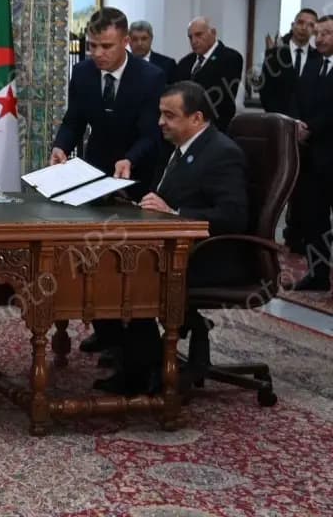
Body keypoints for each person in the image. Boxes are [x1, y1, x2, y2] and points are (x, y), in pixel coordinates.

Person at [98, 81, 250, 395]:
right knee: (104, 261)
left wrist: (175, 212)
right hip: (174, 248)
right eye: (160, 114)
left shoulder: (222, 153)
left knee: (127, 274)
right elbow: (163, 198)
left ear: (196, 118)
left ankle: (147, 371)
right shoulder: (179, 148)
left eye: (169, 115)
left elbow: (233, 215)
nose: (160, 122)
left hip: (210, 256)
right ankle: (134, 359)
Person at [51, 7, 165, 356]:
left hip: (137, 172)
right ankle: (106, 329)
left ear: (125, 42)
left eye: (106, 46)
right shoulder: (83, 73)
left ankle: (135, 338)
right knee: (92, 252)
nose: (98, 53)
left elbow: (152, 134)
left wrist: (130, 159)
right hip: (95, 172)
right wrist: (61, 146)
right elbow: (74, 120)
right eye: (92, 46)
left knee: (128, 259)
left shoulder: (150, 77)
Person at [259, 8, 318, 253]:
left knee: (305, 187)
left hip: (309, 132)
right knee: (278, 183)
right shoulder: (276, 55)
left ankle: (298, 236)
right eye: (301, 22)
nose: (304, 27)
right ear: (293, 24)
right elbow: (266, 92)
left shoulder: (317, 57)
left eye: (310, 24)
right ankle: (268, 236)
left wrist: (306, 125)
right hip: (281, 129)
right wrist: (287, 121)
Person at [291, 15, 333, 292]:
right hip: (312, 157)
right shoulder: (313, 64)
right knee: (314, 218)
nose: (320, 38)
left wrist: (312, 128)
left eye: (327, 33)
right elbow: (298, 98)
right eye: (318, 33)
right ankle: (318, 275)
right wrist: (297, 124)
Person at [174, 17, 244, 132]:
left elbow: (222, 97)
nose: (194, 41)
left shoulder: (230, 58)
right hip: (186, 127)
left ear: (213, 33)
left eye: (198, 35)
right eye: (190, 37)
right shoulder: (184, 63)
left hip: (215, 127)